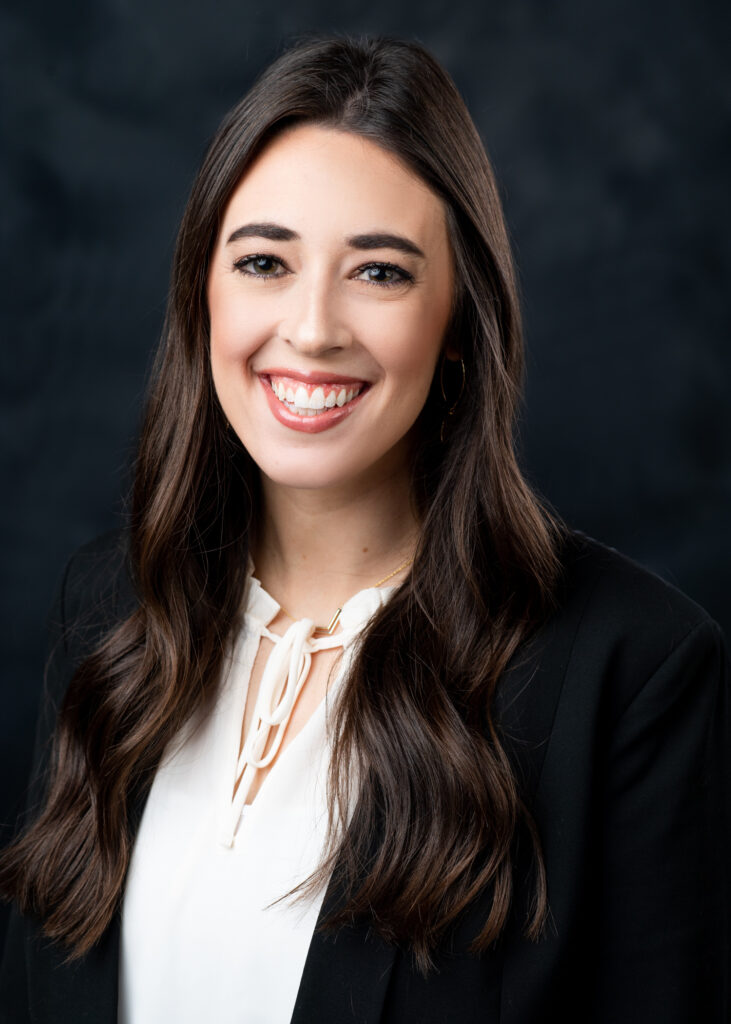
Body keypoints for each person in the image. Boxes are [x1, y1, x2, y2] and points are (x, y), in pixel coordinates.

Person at [0, 33, 728, 1024]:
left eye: (378, 273)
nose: (310, 327)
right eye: (263, 261)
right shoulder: (106, 611)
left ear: (459, 322)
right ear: (199, 293)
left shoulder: (633, 672)